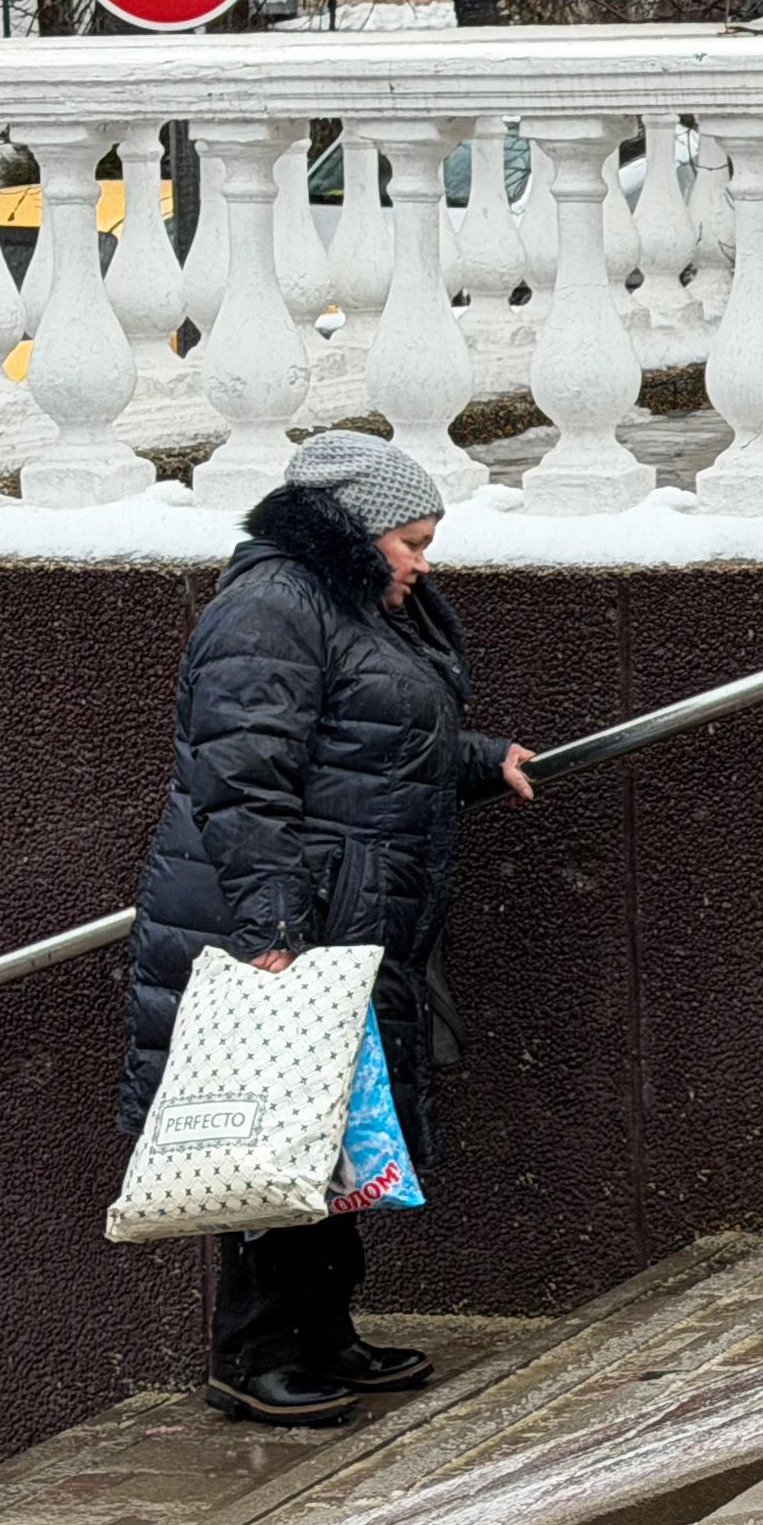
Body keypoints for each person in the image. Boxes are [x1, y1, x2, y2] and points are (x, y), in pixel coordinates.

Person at [119, 431, 537, 1427]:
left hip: (342, 912)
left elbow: (367, 732)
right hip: (275, 915)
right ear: (352, 528)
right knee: (274, 1128)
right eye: (411, 542)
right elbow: (240, 773)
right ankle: (252, 1353)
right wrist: (272, 921)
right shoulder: (271, 605)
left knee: (332, 1129)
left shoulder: (341, 600)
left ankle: (321, 1330)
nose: (422, 563)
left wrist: (479, 759)